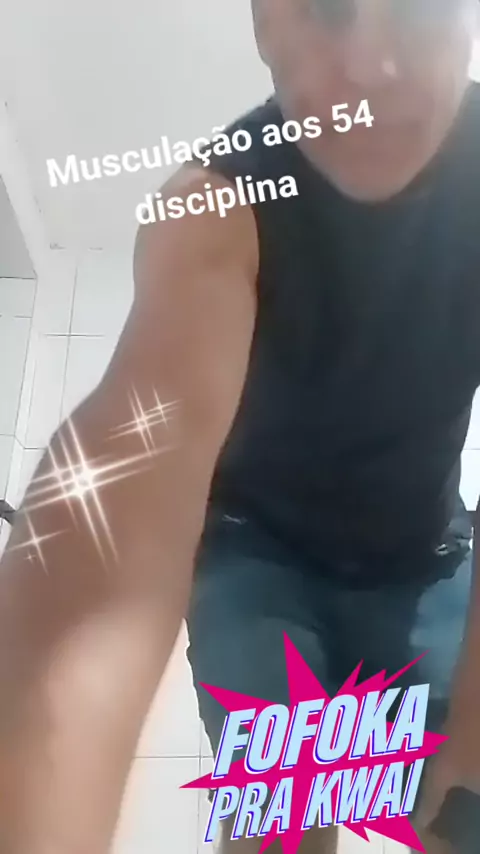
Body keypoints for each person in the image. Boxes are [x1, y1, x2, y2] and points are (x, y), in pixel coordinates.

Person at [1, 0, 480, 851]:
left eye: (415, 5)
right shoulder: (214, 210)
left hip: (426, 555)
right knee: (279, 829)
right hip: (255, 558)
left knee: (462, 812)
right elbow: (132, 459)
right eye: (326, 8)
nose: (373, 69)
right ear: (264, 23)